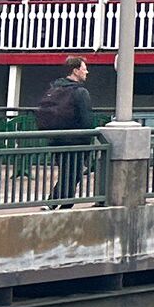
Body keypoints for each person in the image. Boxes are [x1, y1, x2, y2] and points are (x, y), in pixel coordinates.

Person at [33, 54, 97, 204]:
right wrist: (89, 140)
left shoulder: (55, 88)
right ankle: (53, 202)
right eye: (84, 69)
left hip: (56, 138)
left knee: (67, 172)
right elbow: (86, 119)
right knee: (73, 174)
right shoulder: (80, 92)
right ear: (76, 71)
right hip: (76, 140)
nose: (86, 72)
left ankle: (63, 203)